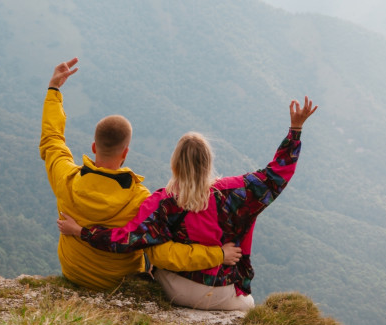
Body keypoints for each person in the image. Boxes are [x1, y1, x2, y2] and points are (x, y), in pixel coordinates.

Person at [58, 95, 318, 310]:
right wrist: (295, 130)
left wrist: (80, 231)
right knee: (249, 306)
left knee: (156, 262)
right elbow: (275, 176)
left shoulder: (160, 202)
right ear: (208, 162)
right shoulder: (236, 193)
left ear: (175, 163)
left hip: (175, 290)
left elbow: (124, 240)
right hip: (222, 292)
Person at [40, 58, 241, 291]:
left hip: (74, 272)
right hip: (119, 283)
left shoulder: (65, 178)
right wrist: (218, 254)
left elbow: (52, 140)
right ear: (126, 152)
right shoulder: (141, 200)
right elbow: (162, 254)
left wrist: (54, 90)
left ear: (94, 147)